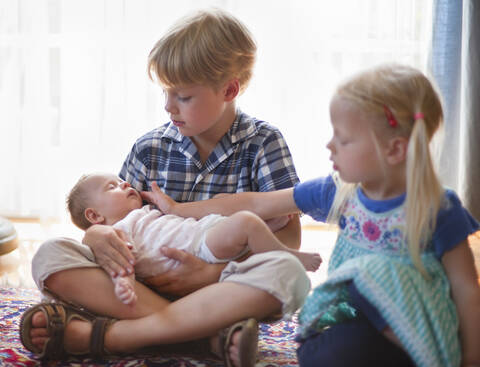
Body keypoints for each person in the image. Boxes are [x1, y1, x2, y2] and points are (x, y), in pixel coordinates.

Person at [20, 8, 310, 367]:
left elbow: (289, 243)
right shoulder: (149, 147)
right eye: (166, 93)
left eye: (183, 96)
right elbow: (113, 219)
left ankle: (111, 336)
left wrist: (210, 274)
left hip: (222, 288)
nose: (169, 106)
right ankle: (205, 337)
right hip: (146, 286)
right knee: (50, 255)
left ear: (229, 89)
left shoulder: (263, 143)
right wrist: (94, 237)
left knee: (291, 276)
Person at [144, 64, 480, 367]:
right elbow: (253, 204)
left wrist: (470, 357)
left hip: (420, 327)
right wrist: (176, 210)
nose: (329, 146)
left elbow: (466, 288)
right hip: (359, 329)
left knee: (367, 278)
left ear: (393, 149)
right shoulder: (338, 192)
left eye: (344, 139)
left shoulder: (438, 208)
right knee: (318, 348)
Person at [66, 172, 321, 305]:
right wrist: (124, 282)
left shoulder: (145, 212)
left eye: (122, 181)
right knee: (246, 222)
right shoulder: (117, 231)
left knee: (231, 209)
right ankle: (286, 253)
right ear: (94, 215)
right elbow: (121, 261)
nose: (124, 184)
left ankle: (266, 230)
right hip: (199, 245)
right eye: (112, 187)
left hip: (202, 237)